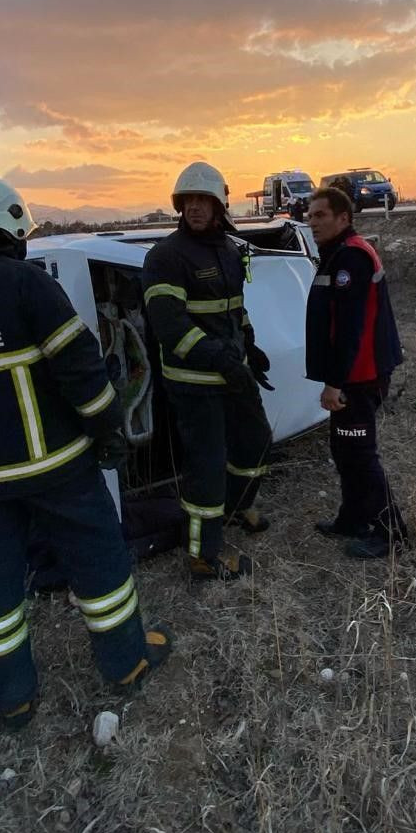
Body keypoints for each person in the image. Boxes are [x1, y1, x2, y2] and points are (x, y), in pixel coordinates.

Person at [0, 176, 171, 731]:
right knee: (98, 560)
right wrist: (107, 428)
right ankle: (127, 662)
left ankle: (11, 698)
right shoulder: (26, 283)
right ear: (10, 230)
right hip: (56, 466)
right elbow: (81, 369)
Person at [142, 161, 273, 580]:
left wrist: (250, 345)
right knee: (207, 466)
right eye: (188, 201)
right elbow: (170, 327)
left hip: (233, 372)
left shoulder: (230, 250)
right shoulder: (166, 256)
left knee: (255, 443)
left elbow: (234, 310)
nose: (195, 207)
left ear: (219, 205)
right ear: (179, 206)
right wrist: (220, 359)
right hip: (194, 384)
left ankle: (235, 508)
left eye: (203, 200)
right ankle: (203, 555)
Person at [305, 185, 407, 559]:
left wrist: (335, 383)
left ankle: (391, 532)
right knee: (344, 449)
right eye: (310, 216)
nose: (312, 223)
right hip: (355, 373)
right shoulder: (339, 254)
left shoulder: (350, 258)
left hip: (359, 377)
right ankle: (352, 519)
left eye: (320, 215)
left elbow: (349, 328)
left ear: (343, 218)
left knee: (359, 453)